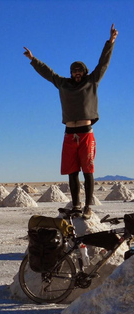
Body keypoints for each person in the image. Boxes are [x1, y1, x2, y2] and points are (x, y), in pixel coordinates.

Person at [23, 24, 118, 219]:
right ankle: (76, 205)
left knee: (88, 170)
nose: (77, 73)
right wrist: (33, 60)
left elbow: (103, 64)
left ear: (84, 72)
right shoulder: (63, 84)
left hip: (86, 133)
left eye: (79, 71)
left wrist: (111, 42)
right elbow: (48, 73)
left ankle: (87, 207)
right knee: (72, 172)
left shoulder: (92, 82)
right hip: (68, 134)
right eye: (74, 71)